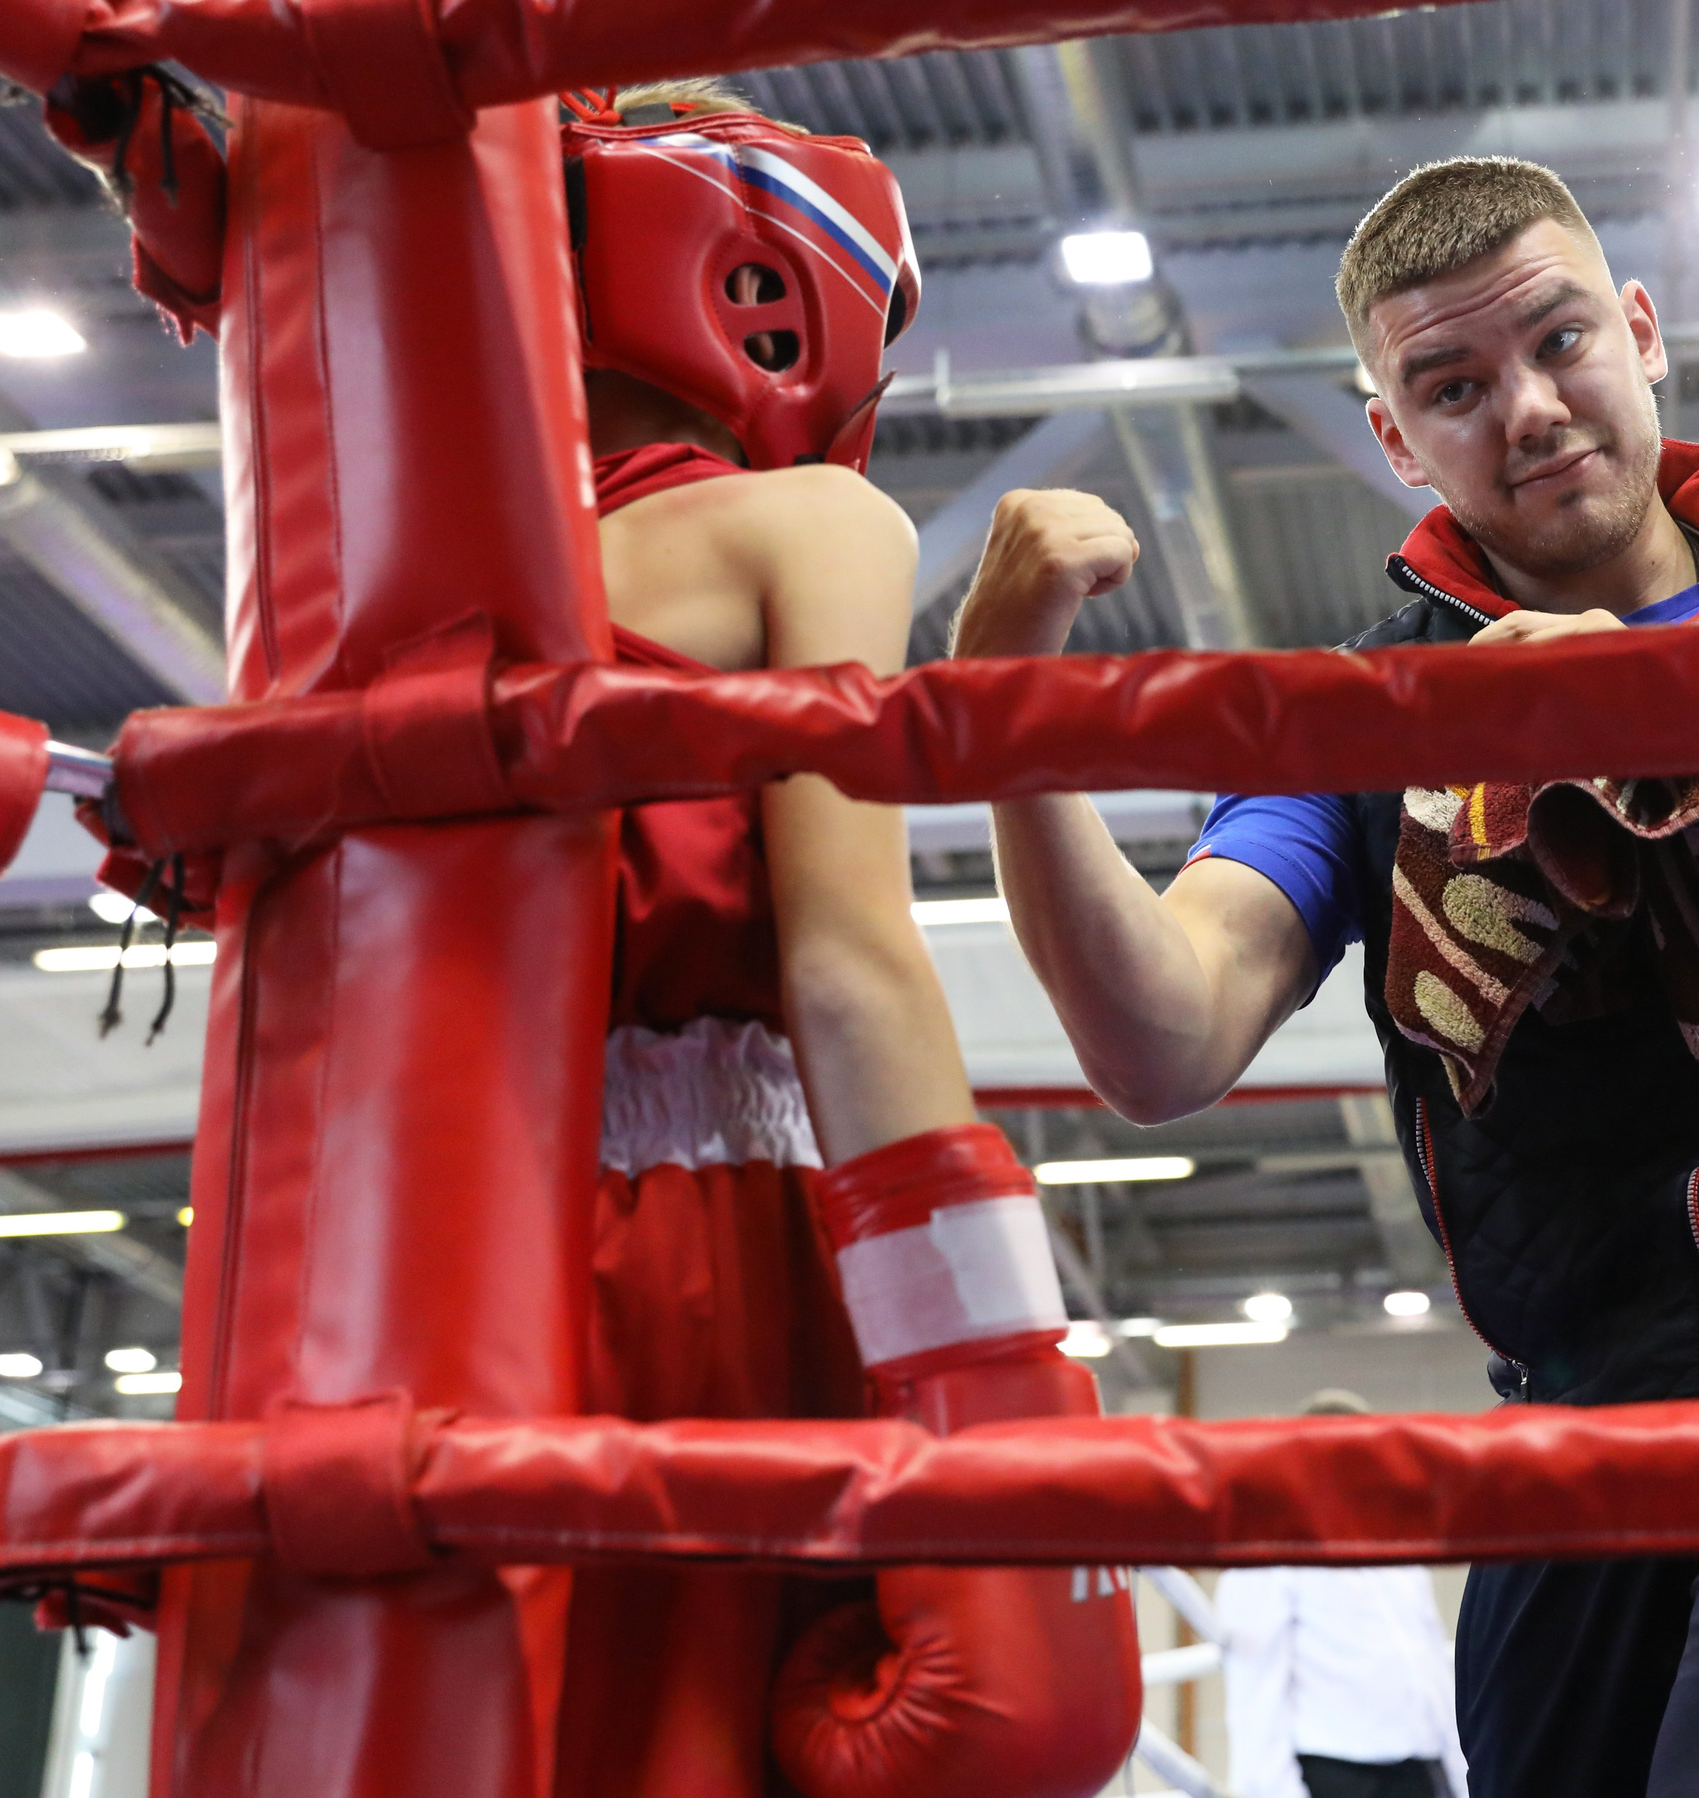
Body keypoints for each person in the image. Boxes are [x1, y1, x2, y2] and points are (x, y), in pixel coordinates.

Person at [950, 156, 1699, 1798]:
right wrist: (1007, 724)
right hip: (1578, 1430)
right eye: (1453, 385)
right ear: (1397, 438)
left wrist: (1691, 708)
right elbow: (1163, 1035)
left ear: (1641, 330)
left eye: (1561, 341)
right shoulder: (1367, 717)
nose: (1526, 408)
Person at [545, 81, 1140, 1798]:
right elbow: (847, 963)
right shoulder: (809, 523)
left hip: (435, 1264)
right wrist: (1004, 1380)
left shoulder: (385, 587)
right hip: (714, 1257)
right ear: (775, 286)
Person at [1217, 1391, 1469, 1798]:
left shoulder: (1396, 1548)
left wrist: (1459, 1775)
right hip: (1335, 1771)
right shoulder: (1271, 1549)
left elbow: (1431, 1670)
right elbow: (1255, 1690)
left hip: (1420, 1768)